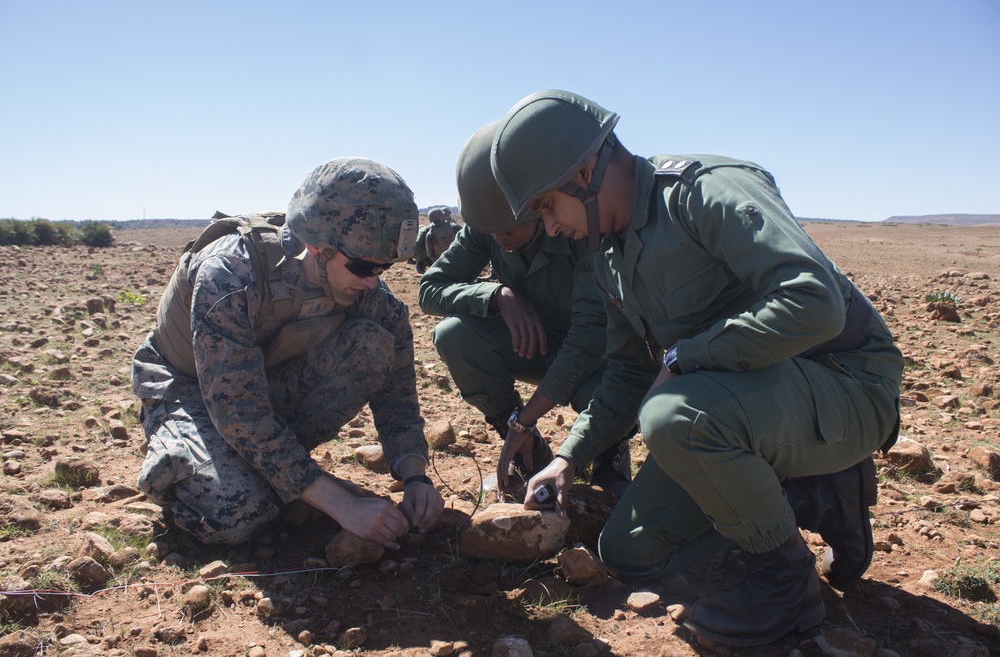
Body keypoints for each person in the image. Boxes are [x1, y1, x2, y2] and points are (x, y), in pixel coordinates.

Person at [490, 90, 903, 646]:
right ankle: (807, 494)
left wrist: (688, 358)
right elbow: (626, 375)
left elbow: (815, 303)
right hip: (751, 408)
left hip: (845, 385)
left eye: (546, 205)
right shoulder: (609, 256)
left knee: (674, 415)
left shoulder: (704, 190)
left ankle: (784, 580)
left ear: (585, 171)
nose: (552, 226)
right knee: (629, 550)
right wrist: (568, 457)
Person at [132, 157, 444, 548]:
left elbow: (398, 396)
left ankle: (278, 472)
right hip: (188, 387)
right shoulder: (231, 272)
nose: (372, 282)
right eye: (364, 267)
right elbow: (237, 409)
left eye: (383, 269)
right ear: (318, 247)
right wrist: (340, 504)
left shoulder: (371, 296)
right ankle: (184, 465)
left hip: (261, 388)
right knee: (237, 511)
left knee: (372, 342)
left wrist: (415, 476)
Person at [418, 122, 634, 495]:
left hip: (597, 354)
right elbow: (430, 289)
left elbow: (588, 335)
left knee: (613, 389)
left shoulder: (579, 224)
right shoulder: (489, 227)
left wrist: (528, 419)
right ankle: (527, 454)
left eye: (509, 228)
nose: (499, 239)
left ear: (538, 207)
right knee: (454, 334)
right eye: (492, 231)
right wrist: (496, 295)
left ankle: (607, 456)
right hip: (535, 348)